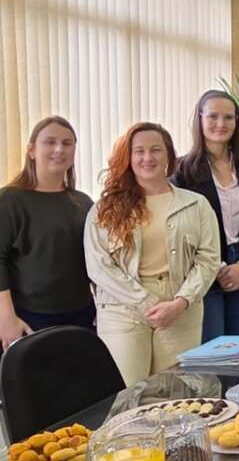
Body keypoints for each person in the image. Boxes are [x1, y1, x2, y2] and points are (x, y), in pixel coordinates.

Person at [85, 123, 219, 386]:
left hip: (181, 309)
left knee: (176, 392)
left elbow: (208, 260)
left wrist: (180, 302)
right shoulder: (104, 209)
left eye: (156, 150)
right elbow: (99, 266)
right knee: (127, 391)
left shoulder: (196, 204)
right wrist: (146, 302)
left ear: (169, 155)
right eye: (139, 151)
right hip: (123, 309)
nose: (148, 157)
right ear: (129, 157)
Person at [174, 90, 239, 341]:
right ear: (200, 119)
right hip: (203, 269)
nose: (221, 124)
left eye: (228, 117)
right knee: (212, 348)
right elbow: (181, 227)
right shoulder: (182, 170)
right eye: (213, 116)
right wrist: (217, 267)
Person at [0, 116, 96, 348]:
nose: (59, 149)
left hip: (81, 315)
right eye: (50, 142)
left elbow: (96, 262)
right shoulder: (10, 200)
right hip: (28, 319)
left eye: (67, 143)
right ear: (31, 150)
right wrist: (6, 317)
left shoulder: (84, 203)